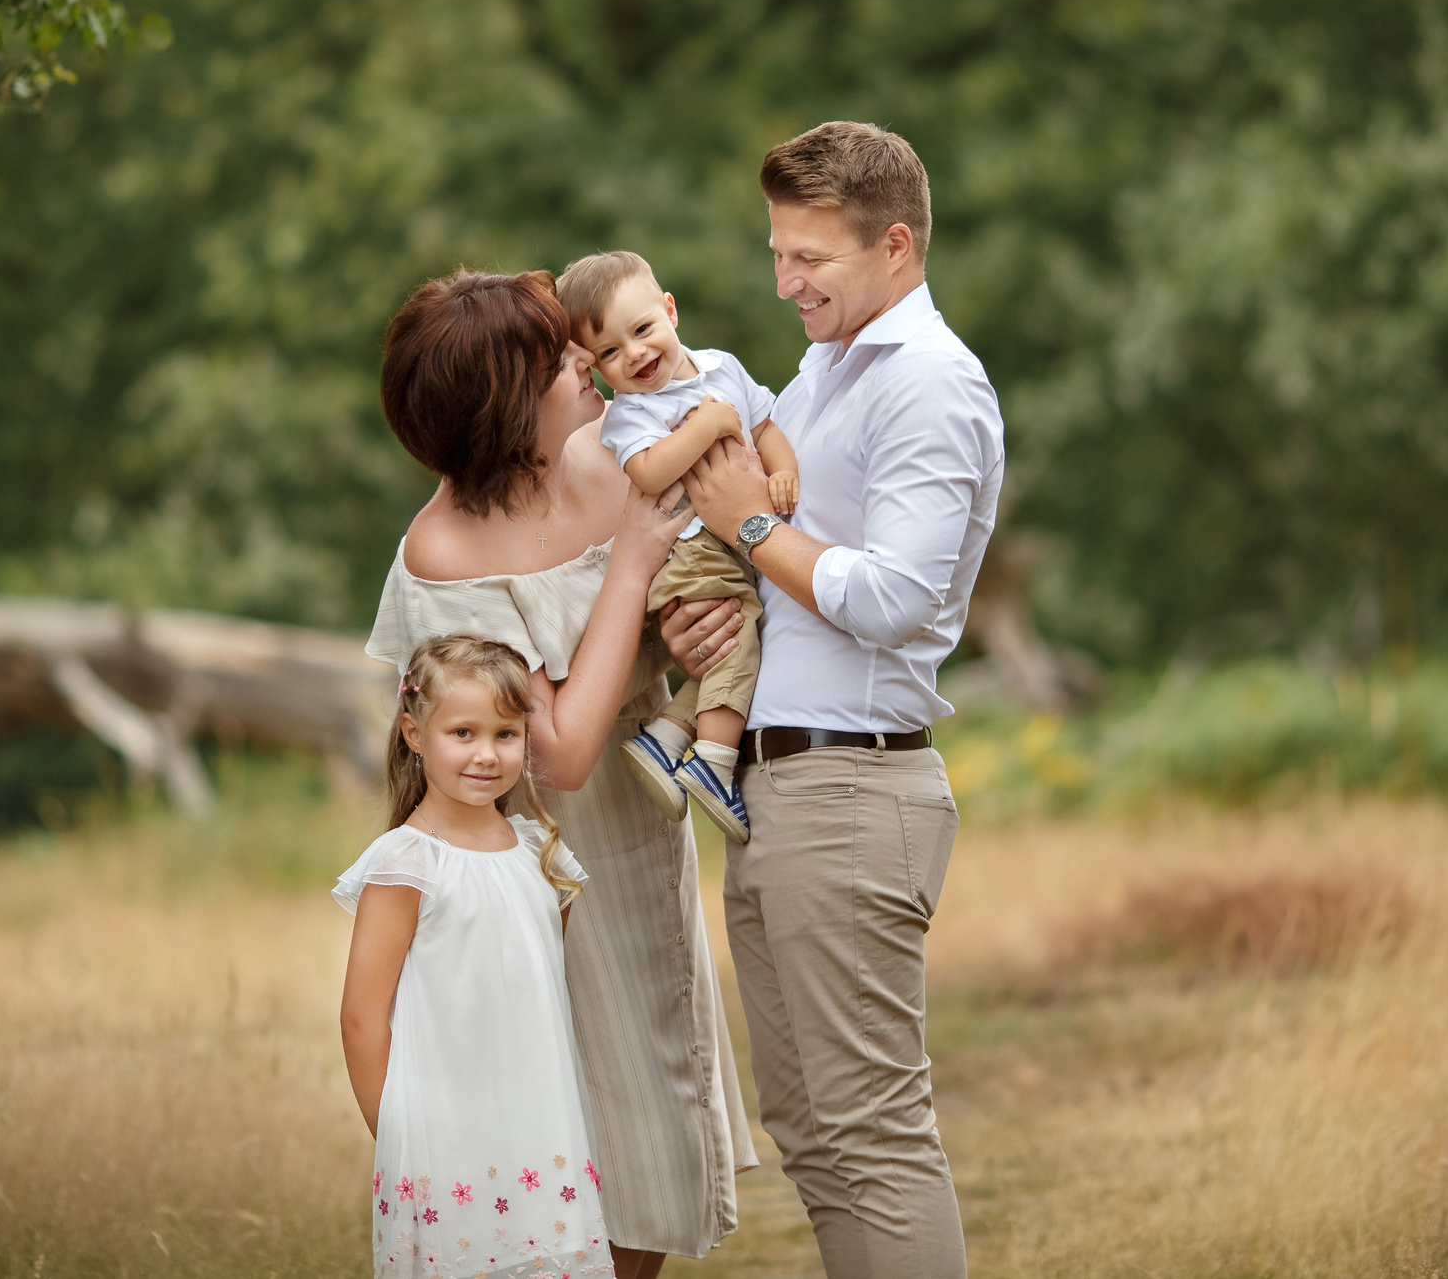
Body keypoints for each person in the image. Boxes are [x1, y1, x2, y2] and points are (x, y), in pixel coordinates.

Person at [367, 269, 758, 1279]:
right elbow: (561, 756)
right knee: (560, 1141)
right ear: (503, 407)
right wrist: (631, 567)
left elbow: (713, 569)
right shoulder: (446, 551)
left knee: (646, 1131)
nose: (586, 363)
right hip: (531, 867)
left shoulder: (610, 455)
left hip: (634, 840)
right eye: (556, 361)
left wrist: (706, 619)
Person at [680, 121, 1003, 1279]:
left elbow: (897, 599)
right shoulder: (824, 373)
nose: (785, 280)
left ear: (897, 245)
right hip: (781, 785)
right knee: (813, 1134)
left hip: (856, 786)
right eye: (777, 251)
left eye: (811, 256)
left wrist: (753, 533)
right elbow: (798, 577)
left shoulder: (929, 383)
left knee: (873, 1134)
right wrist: (723, 610)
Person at [335, 634, 611, 1279]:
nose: (487, 754)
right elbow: (361, 1020)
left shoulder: (538, 850)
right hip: (444, 1140)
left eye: (506, 735)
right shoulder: (406, 863)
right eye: (463, 732)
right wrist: (400, 1142)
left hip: (541, 1129)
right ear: (414, 731)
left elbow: (535, 990)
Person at [553, 249, 801, 843]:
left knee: (738, 643)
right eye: (610, 352)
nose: (634, 354)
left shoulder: (722, 369)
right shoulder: (630, 414)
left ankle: (666, 740)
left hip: (731, 543)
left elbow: (765, 428)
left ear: (670, 311)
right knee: (736, 638)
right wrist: (709, 426)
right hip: (689, 551)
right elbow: (648, 472)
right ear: (598, 367)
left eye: (641, 331)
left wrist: (783, 470)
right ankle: (714, 763)